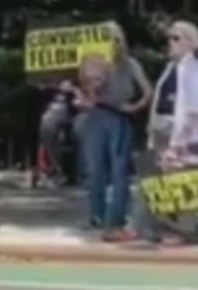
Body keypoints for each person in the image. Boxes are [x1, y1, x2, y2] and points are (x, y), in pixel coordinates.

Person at [73, 27, 151, 241]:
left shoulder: (131, 64)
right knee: (96, 168)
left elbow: (147, 90)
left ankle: (115, 218)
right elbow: (87, 94)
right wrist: (91, 83)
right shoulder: (94, 61)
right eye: (108, 39)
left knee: (119, 171)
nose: (113, 43)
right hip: (97, 116)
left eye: (116, 39)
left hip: (120, 118)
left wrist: (135, 107)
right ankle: (96, 215)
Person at [129, 20, 198, 244]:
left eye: (176, 38)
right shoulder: (173, 67)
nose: (170, 42)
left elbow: (192, 109)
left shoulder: (192, 68)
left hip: (181, 133)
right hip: (162, 129)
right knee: (156, 181)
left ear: (191, 42)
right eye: (169, 37)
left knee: (179, 181)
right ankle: (149, 228)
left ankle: (180, 232)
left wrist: (180, 140)